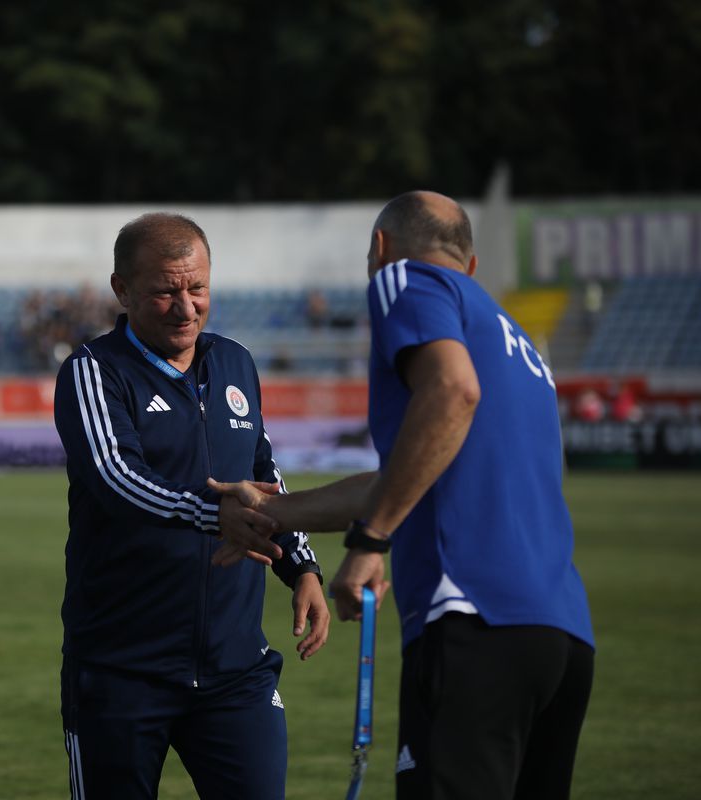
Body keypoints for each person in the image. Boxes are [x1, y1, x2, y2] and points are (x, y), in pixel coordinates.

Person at [210, 191, 594, 800]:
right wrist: (274, 513)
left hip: (471, 618)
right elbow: (416, 474)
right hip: (562, 636)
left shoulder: (405, 280)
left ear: (381, 249)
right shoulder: (516, 340)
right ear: (471, 265)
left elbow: (452, 391)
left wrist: (370, 541)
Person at [53, 212, 329, 800]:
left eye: (197, 288)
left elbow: (261, 470)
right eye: (164, 292)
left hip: (235, 671)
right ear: (122, 291)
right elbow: (115, 477)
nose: (186, 308)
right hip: (121, 670)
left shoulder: (235, 362)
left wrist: (300, 564)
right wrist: (214, 515)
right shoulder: (93, 372)